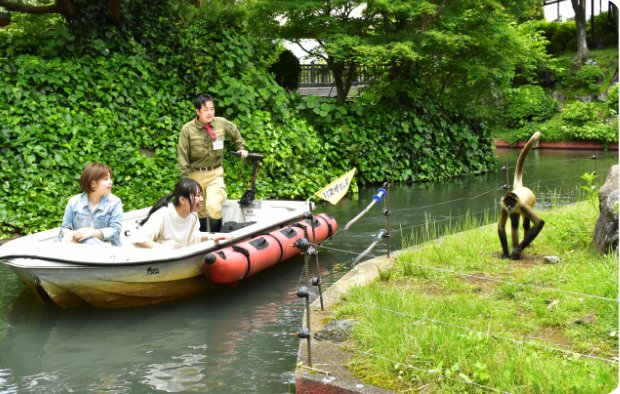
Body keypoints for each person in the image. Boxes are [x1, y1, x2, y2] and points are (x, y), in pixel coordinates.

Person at [177, 93, 248, 233]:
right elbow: (182, 155)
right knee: (199, 210)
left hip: (215, 173)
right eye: (206, 110)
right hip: (195, 175)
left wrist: (241, 148)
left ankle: (217, 239)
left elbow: (234, 131)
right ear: (197, 111)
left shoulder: (221, 123)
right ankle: (204, 241)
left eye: (212, 109)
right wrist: (185, 182)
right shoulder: (187, 129)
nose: (210, 113)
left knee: (213, 206)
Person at [132, 178, 230, 249]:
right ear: (182, 199)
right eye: (197, 196)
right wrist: (167, 249)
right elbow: (139, 240)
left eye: (201, 195)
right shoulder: (163, 214)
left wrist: (212, 237)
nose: (201, 199)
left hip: (179, 258)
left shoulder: (192, 215)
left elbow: (194, 237)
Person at [59, 162, 123, 246]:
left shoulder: (115, 202)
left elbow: (115, 231)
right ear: (93, 184)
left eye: (110, 178)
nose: (110, 182)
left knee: (90, 241)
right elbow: (64, 229)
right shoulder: (74, 202)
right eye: (106, 179)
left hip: (110, 254)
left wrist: (91, 233)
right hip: (80, 251)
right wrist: (71, 234)